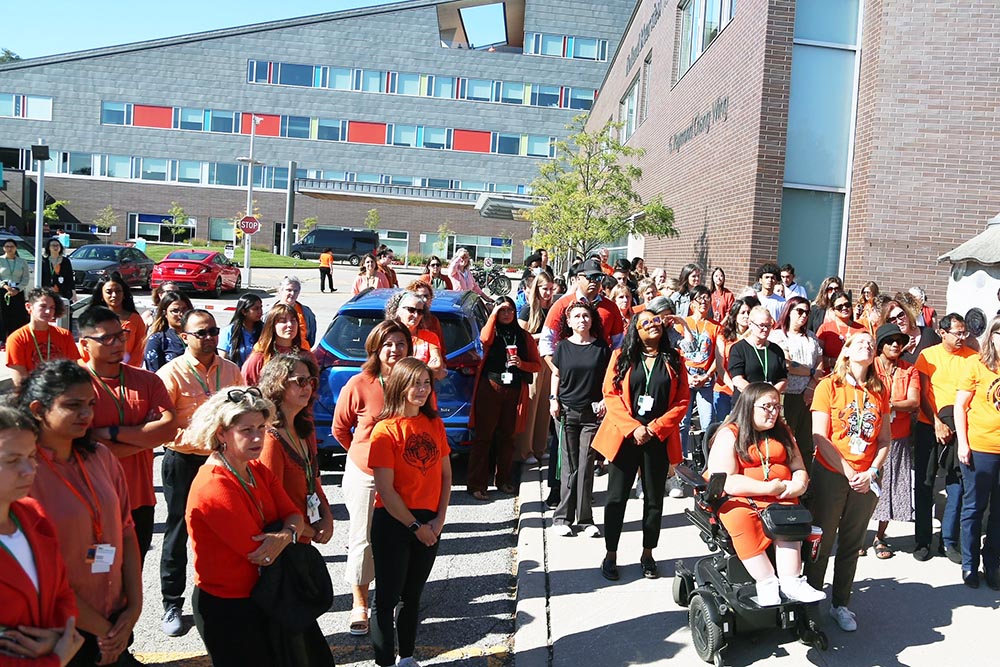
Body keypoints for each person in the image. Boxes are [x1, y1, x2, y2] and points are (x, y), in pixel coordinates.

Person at [184, 390, 329, 667]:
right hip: (230, 607)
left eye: (261, 428)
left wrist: (285, 534)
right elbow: (259, 551)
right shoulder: (213, 485)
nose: (257, 437)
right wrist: (290, 533)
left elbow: (294, 516)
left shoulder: (256, 469)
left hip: (269, 596)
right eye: (246, 430)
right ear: (221, 433)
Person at [22, 360, 144, 666]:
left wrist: (133, 610)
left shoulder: (101, 457)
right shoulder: (24, 473)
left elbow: (126, 530)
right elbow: (36, 572)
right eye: (73, 405)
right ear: (38, 409)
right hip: (58, 631)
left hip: (115, 620)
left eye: (90, 403)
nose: (86, 414)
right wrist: (105, 631)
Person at [156, 309, 244, 637]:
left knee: (227, 529)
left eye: (213, 331)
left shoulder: (231, 370)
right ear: (184, 337)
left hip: (221, 463)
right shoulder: (171, 374)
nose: (209, 338)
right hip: (183, 460)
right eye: (201, 333)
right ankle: (171, 603)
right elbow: (162, 423)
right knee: (178, 530)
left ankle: (226, 593)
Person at [592, 309, 689, 580]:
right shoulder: (621, 357)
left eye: (656, 320)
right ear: (636, 329)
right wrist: (633, 428)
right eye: (645, 322)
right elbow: (610, 395)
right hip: (625, 437)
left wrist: (655, 428)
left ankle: (648, 554)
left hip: (657, 438)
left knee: (654, 500)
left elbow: (682, 400)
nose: (653, 324)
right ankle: (610, 554)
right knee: (615, 498)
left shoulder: (675, 359)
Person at [706, 382, 823, 606]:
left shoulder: (783, 432)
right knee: (739, 517)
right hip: (740, 497)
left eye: (777, 407)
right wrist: (767, 488)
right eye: (766, 407)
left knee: (791, 516)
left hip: (781, 495)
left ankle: (791, 582)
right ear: (749, 406)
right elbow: (727, 481)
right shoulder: (730, 434)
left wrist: (799, 484)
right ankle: (767, 582)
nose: (773, 412)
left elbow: (799, 466)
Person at [368, 358, 452, 667]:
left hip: (429, 522)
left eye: (426, 383)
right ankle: (384, 661)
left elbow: (446, 476)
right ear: (400, 386)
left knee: (412, 595)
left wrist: (439, 521)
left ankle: (406, 656)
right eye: (415, 383)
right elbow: (386, 490)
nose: (421, 389)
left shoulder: (434, 423)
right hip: (394, 522)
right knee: (387, 597)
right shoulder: (384, 430)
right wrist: (416, 525)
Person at [805, 332, 891, 632]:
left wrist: (872, 472)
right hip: (832, 472)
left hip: (865, 479)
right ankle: (810, 602)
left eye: (871, 343)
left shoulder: (880, 389)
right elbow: (819, 436)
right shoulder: (828, 385)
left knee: (852, 543)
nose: (868, 346)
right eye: (861, 343)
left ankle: (841, 603)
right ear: (846, 352)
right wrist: (847, 470)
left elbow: (884, 439)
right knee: (821, 540)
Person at [78, 307, 175, 565]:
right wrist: (145, 436)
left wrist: (109, 434)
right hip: (93, 503)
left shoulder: (148, 381)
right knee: (98, 576)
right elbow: (81, 446)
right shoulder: (74, 384)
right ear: (84, 344)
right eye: (106, 338)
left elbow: (167, 431)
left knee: (132, 575)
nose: (118, 343)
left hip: (139, 501)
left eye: (120, 336)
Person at [333, 321, 412, 637]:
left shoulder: (415, 381)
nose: (395, 350)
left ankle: (391, 597)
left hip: (406, 475)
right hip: (366, 475)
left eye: (401, 344)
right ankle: (360, 603)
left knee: (397, 538)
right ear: (376, 349)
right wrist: (364, 457)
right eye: (389, 344)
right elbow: (341, 429)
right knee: (363, 540)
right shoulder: (360, 383)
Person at [0, 403, 84, 667]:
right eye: (13, 460)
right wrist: (54, 658)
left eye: (31, 456)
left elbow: (62, 591)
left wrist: (59, 634)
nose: (29, 470)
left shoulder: (32, 513)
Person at [911, 313, 977, 563]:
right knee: (925, 484)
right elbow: (923, 393)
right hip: (931, 425)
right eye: (957, 333)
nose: (962, 337)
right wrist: (937, 422)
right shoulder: (928, 356)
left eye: (964, 333)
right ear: (942, 332)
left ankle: (949, 541)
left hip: (962, 428)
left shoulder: (973, 357)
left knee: (957, 484)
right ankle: (923, 540)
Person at [468, 298, 541, 500]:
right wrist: (493, 314)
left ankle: (503, 480)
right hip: (490, 388)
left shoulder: (523, 336)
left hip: (514, 390)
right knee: (483, 437)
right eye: (502, 311)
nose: (506, 314)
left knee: (508, 437)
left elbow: (537, 365)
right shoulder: (492, 333)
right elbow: (484, 339)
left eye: (509, 310)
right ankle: (476, 484)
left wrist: (522, 364)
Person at [549, 301, 611, 537]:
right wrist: (553, 399)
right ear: (569, 321)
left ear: (592, 320)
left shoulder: (601, 348)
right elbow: (556, 374)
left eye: (586, 316)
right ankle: (562, 518)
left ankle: (585, 519)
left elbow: (608, 378)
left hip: (591, 415)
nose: (582, 320)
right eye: (577, 316)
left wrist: (605, 399)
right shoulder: (562, 347)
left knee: (586, 466)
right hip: (565, 413)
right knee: (568, 467)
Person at [257, 354, 333, 545]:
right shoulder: (270, 439)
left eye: (310, 381)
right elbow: (271, 503)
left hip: (302, 536)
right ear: (278, 383)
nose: (307, 387)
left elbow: (313, 479)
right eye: (300, 381)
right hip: (284, 542)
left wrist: (327, 517)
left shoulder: (304, 428)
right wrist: (308, 530)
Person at [865, 323, 919, 559]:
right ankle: (857, 535)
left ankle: (880, 537)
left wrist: (888, 406)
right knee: (864, 487)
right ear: (880, 345)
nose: (896, 344)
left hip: (897, 438)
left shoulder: (910, 370)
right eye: (890, 341)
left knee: (889, 488)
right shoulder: (869, 366)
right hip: (868, 437)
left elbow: (914, 401)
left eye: (900, 341)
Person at [955, 315, 1000, 589]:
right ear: (992, 335)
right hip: (981, 448)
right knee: (974, 508)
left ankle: (992, 562)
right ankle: (969, 564)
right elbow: (960, 406)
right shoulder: (977, 364)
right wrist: (963, 442)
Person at [769, 297, 824, 464]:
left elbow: (820, 363)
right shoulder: (778, 336)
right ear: (789, 311)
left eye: (807, 312)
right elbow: (788, 364)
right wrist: (811, 371)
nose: (804, 316)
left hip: (808, 395)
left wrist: (811, 386)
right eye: (799, 311)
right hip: (788, 394)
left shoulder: (812, 337)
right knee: (786, 438)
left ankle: (806, 481)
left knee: (806, 441)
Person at [538, 259, 625, 357]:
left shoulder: (611, 307)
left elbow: (619, 343)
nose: (594, 281)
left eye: (598, 277)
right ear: (578, 278)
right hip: (568, 364)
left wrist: (611, 367)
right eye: (589, 277)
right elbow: (546, 340)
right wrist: (556, 368)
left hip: (600, 365)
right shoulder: (562, 304)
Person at [515, 271, 555, 464]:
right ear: (536, 289)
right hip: (533, 360)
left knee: (545, 405)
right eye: (544, 289)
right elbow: (521, 336)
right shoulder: (527, 309)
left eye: (550, 289)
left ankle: (540, 448)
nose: (547, 293)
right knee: (531, 405)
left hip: (550, 360)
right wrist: (544, 336)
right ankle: (525, 450)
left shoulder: (554, 309)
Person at [6, 288, 80, 385]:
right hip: (34, 395)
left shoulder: (64, 335)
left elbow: (73, 371)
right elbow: (20, 381)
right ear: (29, 307)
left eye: (52, 307)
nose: (48, 311)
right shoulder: (17, 338)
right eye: (43, 306)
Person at [678, 285, 718, 459]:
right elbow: (676, 354)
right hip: (685, 377)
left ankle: (706, 460)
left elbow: (719, 356)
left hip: (705, 380)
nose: (704, 302)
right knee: (682, 422)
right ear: (692, 302)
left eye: (707, 298)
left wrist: (706, 375)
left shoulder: (715, 327)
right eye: (699, 299)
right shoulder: (682, 324)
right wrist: (686, 376)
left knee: (708, 421)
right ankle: (680, 459)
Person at [241, 304, 318, 385]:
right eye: (283, 321)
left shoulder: (307, 357)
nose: (290, 325)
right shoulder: (259, 358)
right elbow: (246, 387)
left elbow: (314, 388)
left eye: (293, 320)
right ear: (273, 326)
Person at [728, 306, 788, 402]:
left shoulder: (777, 350)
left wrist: (771, 394)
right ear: (750, 324)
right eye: (761, 325)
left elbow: (783, 379)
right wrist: (758, 396)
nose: (765, 329)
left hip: (769, 403)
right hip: (746, 402)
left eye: (768, 325)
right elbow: (737, 380)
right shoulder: (738, 349)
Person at [714, 296, 759, 421]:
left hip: (746, 390)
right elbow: (720, 366)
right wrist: (734, 387)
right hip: (724, 389)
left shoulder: (755, 337)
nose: (746, 316)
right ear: (734, 316)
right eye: (742, 313)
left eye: (749, 313)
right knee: (723, 426)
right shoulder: (723, 335)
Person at [87, 276, 146, 368]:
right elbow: (86, 348)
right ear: (101, 295)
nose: (114, 295)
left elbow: (140, 349)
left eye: (118, 291)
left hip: (127, 372)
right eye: (109, 292)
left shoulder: (135, 319)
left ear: (124, 294)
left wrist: (128, 371)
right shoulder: (92, 319)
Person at [392, 292, 446, 380]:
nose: (416, 315)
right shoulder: (389, 336)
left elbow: (437, 365)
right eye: (411, 310)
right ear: (398, 311)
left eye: (420, 312)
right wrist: (426, 370)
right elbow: (387, 367)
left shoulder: (430, 337)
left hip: (424, 391)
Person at [142, 291, 192, 373]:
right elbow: (154, 375)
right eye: (175, 311)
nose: (181, 314)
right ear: (165, 313)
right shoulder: (157, 339)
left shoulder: (200, 335)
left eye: (185, 309)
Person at [880, 297, 940, 365]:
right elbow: (886, 364)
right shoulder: (887, 343)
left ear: (907, 314)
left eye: (901, 315)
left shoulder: (928, 334)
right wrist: (902, 350)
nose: (899, 321)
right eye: (892, 319)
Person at [816, 291, 865, 368]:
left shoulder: (861, 329)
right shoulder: (825, 329)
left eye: (847, 305)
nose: (844, 308)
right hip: (830, 375)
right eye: (839, 307)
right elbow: (816, 356)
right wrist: (836, 361)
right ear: (833, 310)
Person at [218, 293, 264, 368]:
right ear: (244, 311)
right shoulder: (230, 331)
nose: (260, 311)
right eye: (256, 309)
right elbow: (222, 360)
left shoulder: (264, 329)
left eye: (261, 308)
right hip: (235, 376)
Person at [0, 239, 31, 346]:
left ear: (16, 248)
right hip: (3, 291)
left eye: (12, 246)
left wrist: (17, 289)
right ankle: (2, 339)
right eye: (7, 246)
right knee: (2, 315)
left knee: (17, 316)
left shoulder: (22, 262)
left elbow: (26, 278)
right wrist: (5, 287)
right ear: (4, 248)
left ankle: (15, 339)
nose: (9, 248)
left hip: (17, 292)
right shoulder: (0, 260)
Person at [404, 281, 446, 357]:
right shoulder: (401, 322)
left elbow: (442, 351)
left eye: (426, 296)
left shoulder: (433, 321)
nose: (424, 300)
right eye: (419, 297)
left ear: (431, 299)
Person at [272, 276, 317, 347]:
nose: (292, 294)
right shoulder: (269, 312)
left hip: (302, 354)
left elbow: (311, 337)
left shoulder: (306, 313)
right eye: (289, 290)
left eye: (295, 291)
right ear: (280, 291)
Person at [40, 237, 76, 305]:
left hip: (64, 292)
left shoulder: (66, 261)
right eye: (53, 245)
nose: (56, 247)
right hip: (48, 292)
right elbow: (42, 277)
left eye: (57, 245)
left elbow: (70, 277)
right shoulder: (45, 261)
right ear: (48, 248)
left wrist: (73, 292)